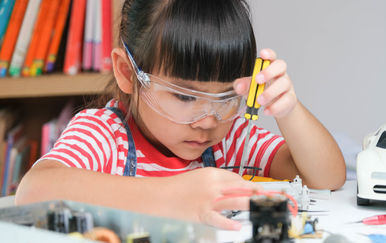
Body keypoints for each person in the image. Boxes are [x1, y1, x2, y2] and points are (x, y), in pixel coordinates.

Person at [16, 0, 346, 230]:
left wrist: (289, 111)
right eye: (185, 96)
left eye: (227, 97)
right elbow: (34, 190)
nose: (207, 120)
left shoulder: (229, 141)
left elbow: (326, 177)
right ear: (128, 74)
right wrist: (172, 195)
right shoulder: (104, 135)